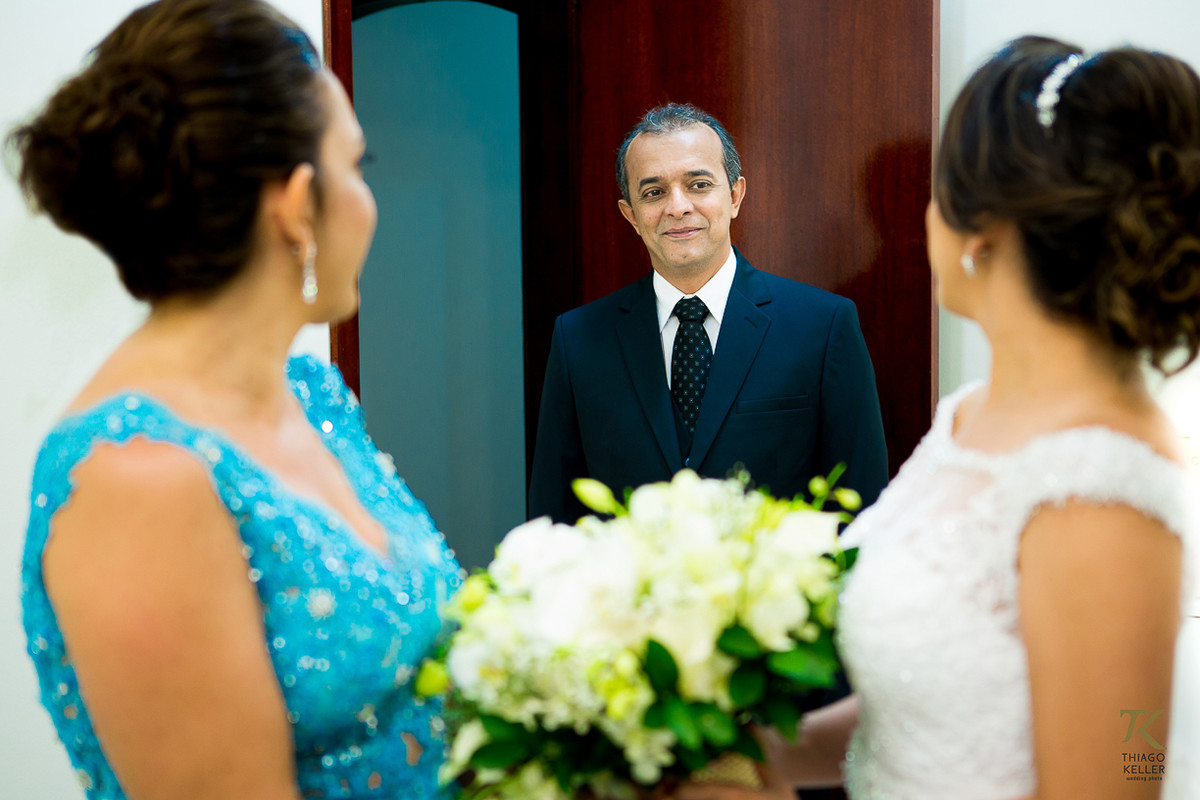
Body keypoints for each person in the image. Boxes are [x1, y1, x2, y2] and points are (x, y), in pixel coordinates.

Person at [676, 35, 1199, 800]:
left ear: (979, 232)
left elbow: (1129, 770)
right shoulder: (972, 417)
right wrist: (761, 758)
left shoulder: (1100, 486)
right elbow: (934, 704)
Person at [13, 1, 461, 798]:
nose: (368, 200)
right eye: (358, 165)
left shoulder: (312, 396)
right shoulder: (136, 481)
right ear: (295, 205)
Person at [528, 103, 889, 524]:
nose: (678, 207)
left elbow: (862, 509)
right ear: (630, 215)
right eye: (653, 192)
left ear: (735, 196)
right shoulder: (579, 340)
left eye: (698, 185)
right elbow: (554, 522)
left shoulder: (823, 326)